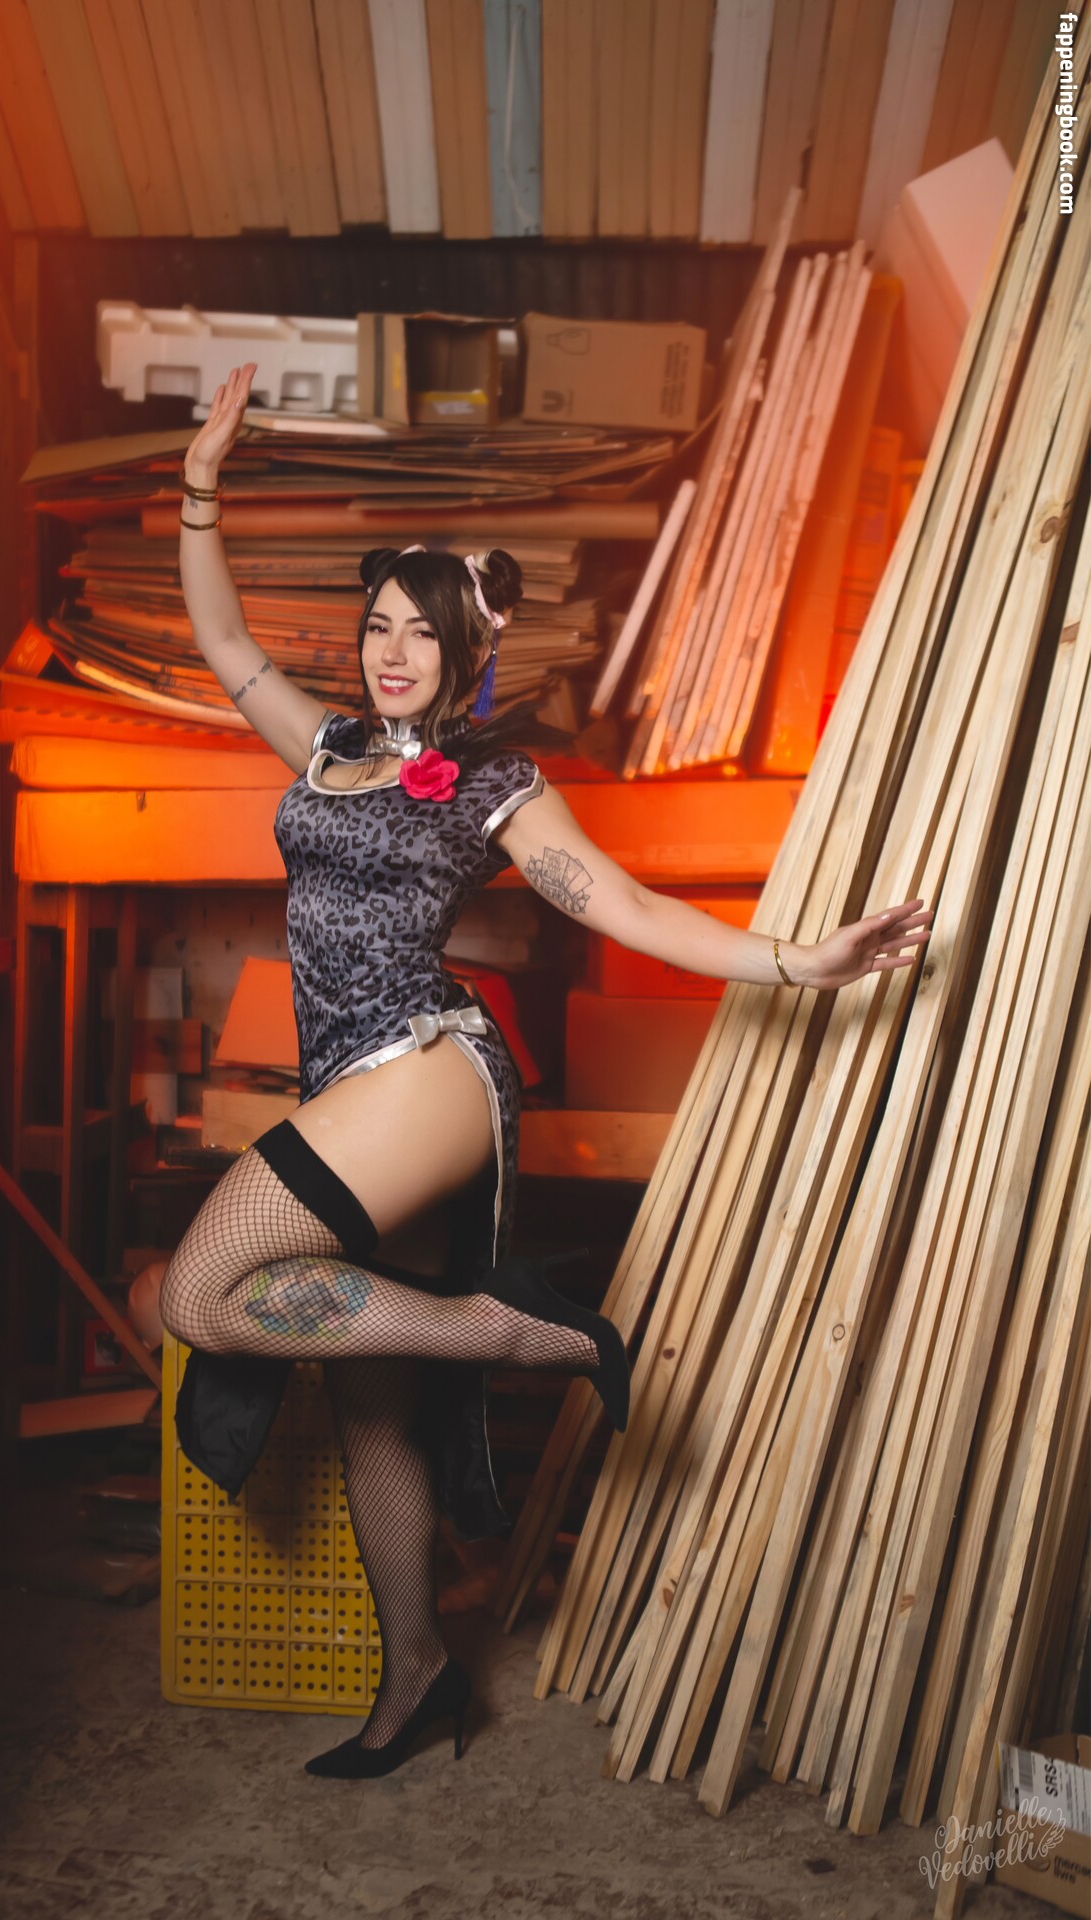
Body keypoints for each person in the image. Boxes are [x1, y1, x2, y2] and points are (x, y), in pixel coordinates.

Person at [127, 362, 934, 1779]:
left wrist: (803, 961)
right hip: (348, 1085)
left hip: (427, 1069)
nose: (393, 651)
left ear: (462, 654)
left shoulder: (493, 784)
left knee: (199, 1296)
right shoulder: (326, 749)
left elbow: (622, 905)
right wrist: (202, 480)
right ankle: (420, 1678)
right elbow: (222, 635)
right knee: (375, 1408)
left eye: (422, 633)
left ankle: (510, 1333)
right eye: (378, 625)